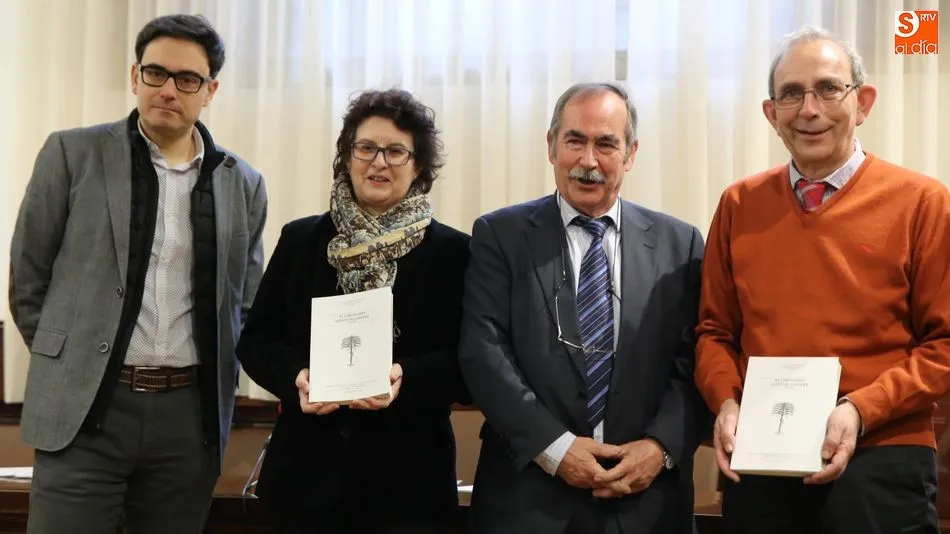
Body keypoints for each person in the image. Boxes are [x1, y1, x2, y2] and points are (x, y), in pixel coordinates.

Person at [8, 13, 267, 534]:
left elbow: (245, 303)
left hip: (187, 419)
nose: (168, 89)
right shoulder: (71, 153)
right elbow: (27, 279)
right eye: (156, 73)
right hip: (86, 412)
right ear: (135, 77)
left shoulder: (243, 183)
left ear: (209, 89)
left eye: (187, 79)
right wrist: (72, 360)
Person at [694, 25, 950, 534]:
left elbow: (943, 343)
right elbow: (713, 332)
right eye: (791, 93)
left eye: (829, 88)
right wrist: (725, 402)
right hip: (761, 462)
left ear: (863, 103)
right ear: (772, 114)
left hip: (880, 460)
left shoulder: (923, 203)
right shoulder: (739, 205)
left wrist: (859, 410)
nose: (809, 109)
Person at [458, 81, 707, 534]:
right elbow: (484, 350)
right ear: (551, 146)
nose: (588, 161)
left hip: (647, 503)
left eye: (606, 144)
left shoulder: (681, 244)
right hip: (528, 500)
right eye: (575, 140)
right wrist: (555, 449)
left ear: (630, 154)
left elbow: (696, 360)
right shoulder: (500, 235)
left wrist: (658, 448)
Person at [236, 88, 471, 534]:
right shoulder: (301, 240)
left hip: (408, 487)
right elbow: (256, 339)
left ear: (418, 165)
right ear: (347, 155)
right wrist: (296, 376)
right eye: (366, 148)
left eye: (396, 151)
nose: (378, 162)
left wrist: (407, 377)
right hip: (304, 482)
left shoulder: (454, 253)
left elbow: (469, 359)